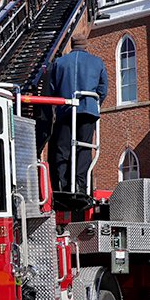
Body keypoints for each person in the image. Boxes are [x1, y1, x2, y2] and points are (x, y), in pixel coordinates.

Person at [43, 33, 107, 196]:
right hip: (87, 111)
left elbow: (51, 88)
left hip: (65, 110)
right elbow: (102, 90)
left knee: (62, 148)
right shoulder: (97, 62)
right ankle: (80, 185)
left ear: (72, 45)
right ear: (85, 45)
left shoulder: (59, 63)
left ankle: (62, 185)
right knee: (84, 149)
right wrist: (94, 104)